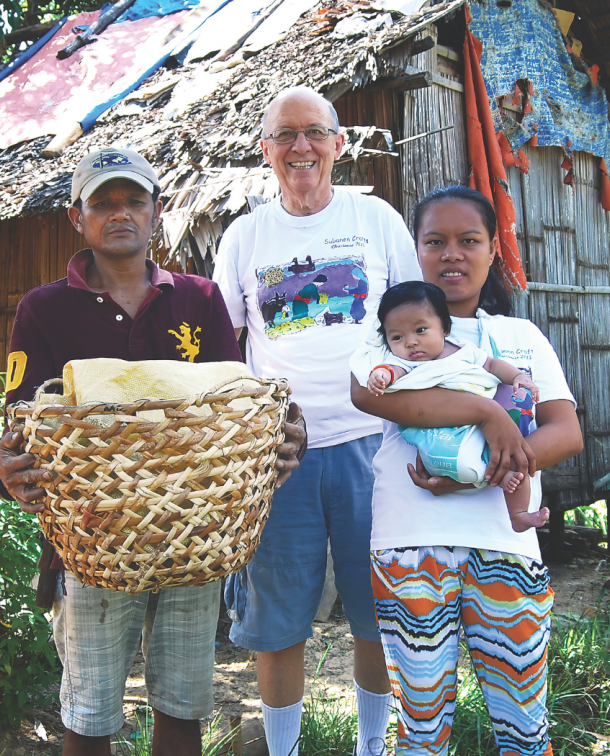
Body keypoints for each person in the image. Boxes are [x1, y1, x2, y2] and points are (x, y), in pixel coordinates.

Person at [0, 146, 306, 756]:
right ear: (77, 217)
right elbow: (20, 428)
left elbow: (233, 407)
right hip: (92, 535)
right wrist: (4, 469)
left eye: (134, 200)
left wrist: (283, 436)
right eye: (102, 202)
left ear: (157, 211)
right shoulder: (44, 309)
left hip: (190, 527)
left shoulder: (200, 299)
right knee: (90, 712)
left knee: (183, 705)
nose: (120, 213)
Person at [212, 86, 423, 756]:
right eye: (285, 135)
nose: (300, 147)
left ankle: (370, 745)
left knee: (378, 614)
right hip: (280, 458)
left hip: (375, 446)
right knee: (276, 623)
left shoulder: (378, 221)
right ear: (265, 149)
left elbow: (418, 331)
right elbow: (223, 349)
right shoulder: (245, 237)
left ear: (338, 143)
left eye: (314, 133)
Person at [350, 185, 584, 756]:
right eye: (436, 241)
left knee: (525, 728)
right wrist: (490, 413)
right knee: (423, 729)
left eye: (468, 240)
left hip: (507, 545)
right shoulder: (386, 339)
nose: (452, 254)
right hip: (411, 546)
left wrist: (477, 473)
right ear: (416, 251)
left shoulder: (517, 338)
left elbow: (566, 432)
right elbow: (384, 402)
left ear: (492, 249)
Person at [357, 280, 546, 532]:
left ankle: (519, 513)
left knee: (513, 453)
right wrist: (381, 376)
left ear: (444, 328)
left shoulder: (464, 351)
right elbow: (393, 370)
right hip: (445, 431)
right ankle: (493, 478)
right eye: (397, 336)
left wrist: (517, 377)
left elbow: (492, 365)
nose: (411, 342)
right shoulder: (406, 363)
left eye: (421, 330)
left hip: (487, 426)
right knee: (472, 462)